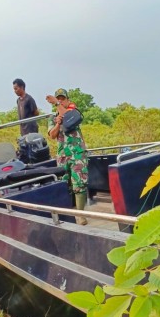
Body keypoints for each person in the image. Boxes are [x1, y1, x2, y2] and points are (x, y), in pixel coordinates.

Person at [45, 89, 89, 225]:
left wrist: (57, 103)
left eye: (63, 99)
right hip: (63, 154)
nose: (61, 101)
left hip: (77, 153)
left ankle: (81, 215)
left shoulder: (72, 113)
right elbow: (52, 135)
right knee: (64, 183)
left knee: (79, 183)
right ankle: (68, 216)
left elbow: (71, 120)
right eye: (59, 99)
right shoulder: (53, 118)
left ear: (68, 100)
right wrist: (58, 123)